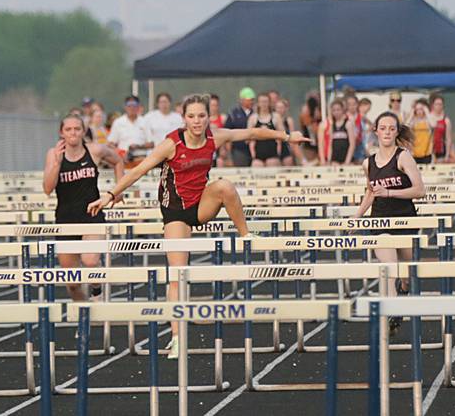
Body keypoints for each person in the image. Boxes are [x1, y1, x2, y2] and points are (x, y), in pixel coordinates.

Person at [86, 93, 309, 359]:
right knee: (178, 273)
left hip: (201, 204)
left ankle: (246, 235)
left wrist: (286, 137)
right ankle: (178, 337)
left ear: (208, 117)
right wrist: (110, 195)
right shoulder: (171, 144)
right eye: (191, 116)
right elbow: (138, 171)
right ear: (184, 118)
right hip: (175, 212)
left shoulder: (216, 136)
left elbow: (251, 132)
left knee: (225, 186)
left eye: (201, 116)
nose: (196, 121)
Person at [43, 114, 124, 302]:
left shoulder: (94, 151)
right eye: (68, 129)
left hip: (92, 215)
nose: (73, 133)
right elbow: (47, 188)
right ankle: (84, 316)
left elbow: (118, 160)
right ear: (61, 132)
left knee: (90, 261)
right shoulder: (53, 154)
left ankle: (96, 288)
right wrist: (56, 163)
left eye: (77, 129)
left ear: (83, 131)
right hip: (65, 218)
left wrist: (118, 189)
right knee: (72, 283)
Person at [355, 111, 424, 332]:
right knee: (388, 267)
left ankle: (402, 291)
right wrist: (356, 218)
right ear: (375, 131)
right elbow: (370, 192)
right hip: (380, 221)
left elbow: (420, 190)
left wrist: (389, 193)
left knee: (406, 276)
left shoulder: (403, 157)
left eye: (391, 128)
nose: (386, 132)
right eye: (382, 128)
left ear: (396, 132)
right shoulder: (368, 163)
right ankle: (392, 309)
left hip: (404, 220)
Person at [107, 95, 152, 168]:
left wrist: (138, 146)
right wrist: (121, 153)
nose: (132, 108)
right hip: (124, 160)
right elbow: (110, 144)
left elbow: (151, 143)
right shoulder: (118, 122)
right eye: (129, 105)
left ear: (138, 107)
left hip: (141, 160)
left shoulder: (144, 121)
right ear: (125, 107)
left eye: (134, 105)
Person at [248, 93, 284, 167]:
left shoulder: (276, 117)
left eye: (265, 101)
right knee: (256, 165)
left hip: (272, 151)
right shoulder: (253, 118)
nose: (264, 104)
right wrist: (253, 154)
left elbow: (282, 135)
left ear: (269, 103)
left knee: (272, 163)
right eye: (261, 102)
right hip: (258, 152)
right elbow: (248, 138)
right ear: (258, 103)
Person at [224, 87, 256, 167]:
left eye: (252, 99)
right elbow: (227, 133)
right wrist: (229, 156)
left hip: (257, 149)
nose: (251, 102)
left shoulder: (256, 112)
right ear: (242, 100)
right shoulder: (233, 114)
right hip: (239, 149)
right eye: (249, 99)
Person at [318, 99, 355, 165]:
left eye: (338, 110)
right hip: (335, 160)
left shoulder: (348, 124)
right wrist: (329, 160)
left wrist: (347, 161)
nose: (336, 112)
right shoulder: (332, 125)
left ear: (342, 110)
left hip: (346, 159)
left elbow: (352, 144)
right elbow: (330, 144)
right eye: (334, 110)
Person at [429, 93, 453, 163]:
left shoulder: (446, 120)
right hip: (429, 149)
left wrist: (447, 155)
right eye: (437, 104)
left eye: (440, 104)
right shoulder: (428, 117)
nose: (439, 106)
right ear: (433, 105)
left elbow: (448, 138)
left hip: (441, 150)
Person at [299, 92, 322, 165]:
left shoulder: (322, 112)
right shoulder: (305, 114)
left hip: (319, 143)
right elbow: (306, 125)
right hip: (309, 144)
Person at [408, 99, 433, 164]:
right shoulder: (413, 121)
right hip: (414, 153)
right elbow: (406, 127)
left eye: (421, 109)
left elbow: (433, 125)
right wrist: (411, 115)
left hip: (426, 153)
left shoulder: (427, 121)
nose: (419, 111)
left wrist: (427, 112)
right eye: (417, 109)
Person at [275, 98, 297, 166]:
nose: (279, 110)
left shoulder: (288, 120)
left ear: (285, 109)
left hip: (285, 147)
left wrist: (292, 150)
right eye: (278, 107)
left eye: (281, 107)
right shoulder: (272, 119)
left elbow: (292, 136)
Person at [346, 93, 365, 163]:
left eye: (354, 104)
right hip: (348, 144)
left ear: (357, 105)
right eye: (349, 104)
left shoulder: (360, 116)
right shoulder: (345, 116)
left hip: (359, 144)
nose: (352, 106)